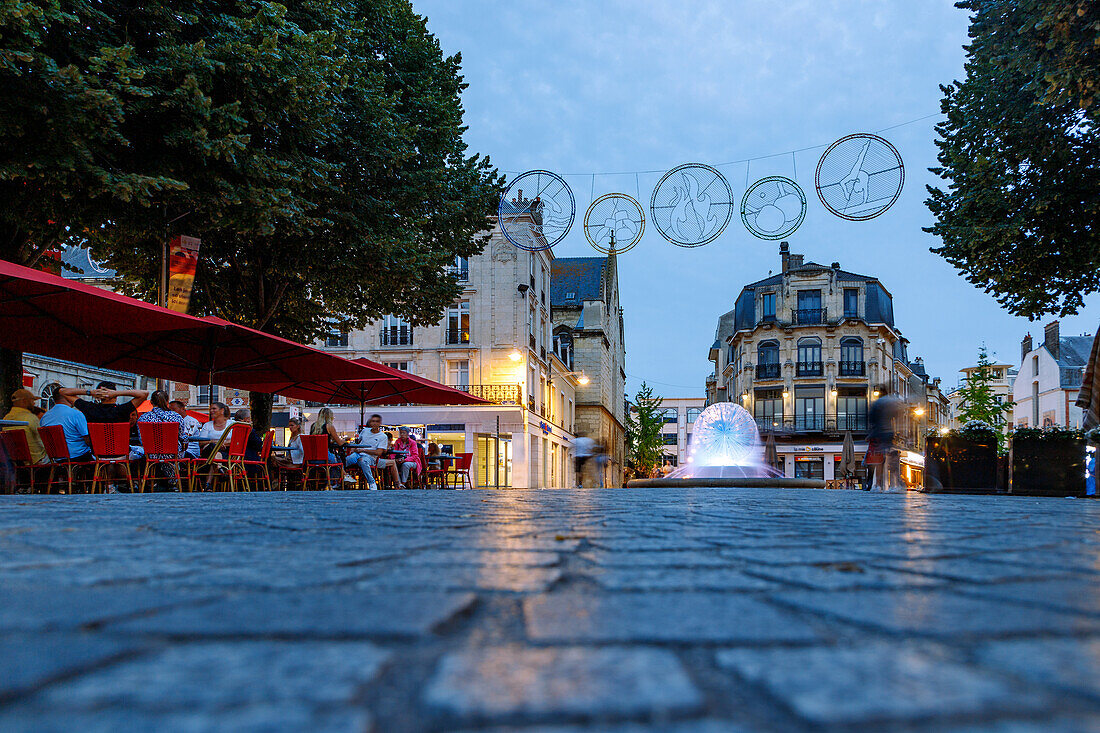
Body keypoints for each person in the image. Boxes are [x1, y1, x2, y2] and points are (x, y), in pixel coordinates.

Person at [137, 390, 186, 490]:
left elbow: (141, 440)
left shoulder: (143, 418)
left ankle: (153, 481)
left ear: (151, 402)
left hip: (151, 454)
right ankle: (172, 480)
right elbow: (182, 436)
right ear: (167, 401)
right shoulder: (176, 417)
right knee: (177, 452)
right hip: (172, 454)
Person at [345, 413, 402, 489]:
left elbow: (379, 452)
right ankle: (342, 479)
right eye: (373, 421)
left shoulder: (382, 437)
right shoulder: (364, 431)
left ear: (379, 423)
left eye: (376, 421)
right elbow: (358, 442)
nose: (374, 423)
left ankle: (372, 483)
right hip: (357, 454)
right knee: (344, 461)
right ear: (370, 422)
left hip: (371, 458)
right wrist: (354, 448)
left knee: (363, 461)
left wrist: (364, 450)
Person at [867, 384, 905, 492]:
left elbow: (871, 419)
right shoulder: (891, 402)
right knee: (892, 457)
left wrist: (870, 434)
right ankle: (894, 485)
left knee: (879, 460)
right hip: (889, 432)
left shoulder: (877, 403)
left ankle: (878, 485)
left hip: (878, 433)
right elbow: (897, 416)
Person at [39, 386, 92, 462]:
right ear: (67, 396)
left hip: (56, 458)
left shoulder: (45, 417)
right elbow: (87, 439)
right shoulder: (75, 414)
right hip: (77, 455)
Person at [60, 382, 148, 424]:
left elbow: (63, 392)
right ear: (115, 396)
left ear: (98, 396)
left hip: (97, 456)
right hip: (121, 455)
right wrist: (116, 393)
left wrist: (90, 392)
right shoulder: (122, 410)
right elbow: (144, 394)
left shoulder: (89, 408)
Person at [310, 407, 353, 487]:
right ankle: (341, 479)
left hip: (312, 458)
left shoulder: (313, 426)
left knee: (335, 459)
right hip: (325, 457)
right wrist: (345, 440)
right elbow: (340, 443)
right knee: (337, 460)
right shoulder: (329, 426)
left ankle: (339, 480)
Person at [3, 388, 47, 465]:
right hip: (34, 461)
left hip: (14, 461)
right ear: (25, 401)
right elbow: (41, 440)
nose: (34, 404)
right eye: (32, 401)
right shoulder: (30, 418)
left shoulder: (6, 418)